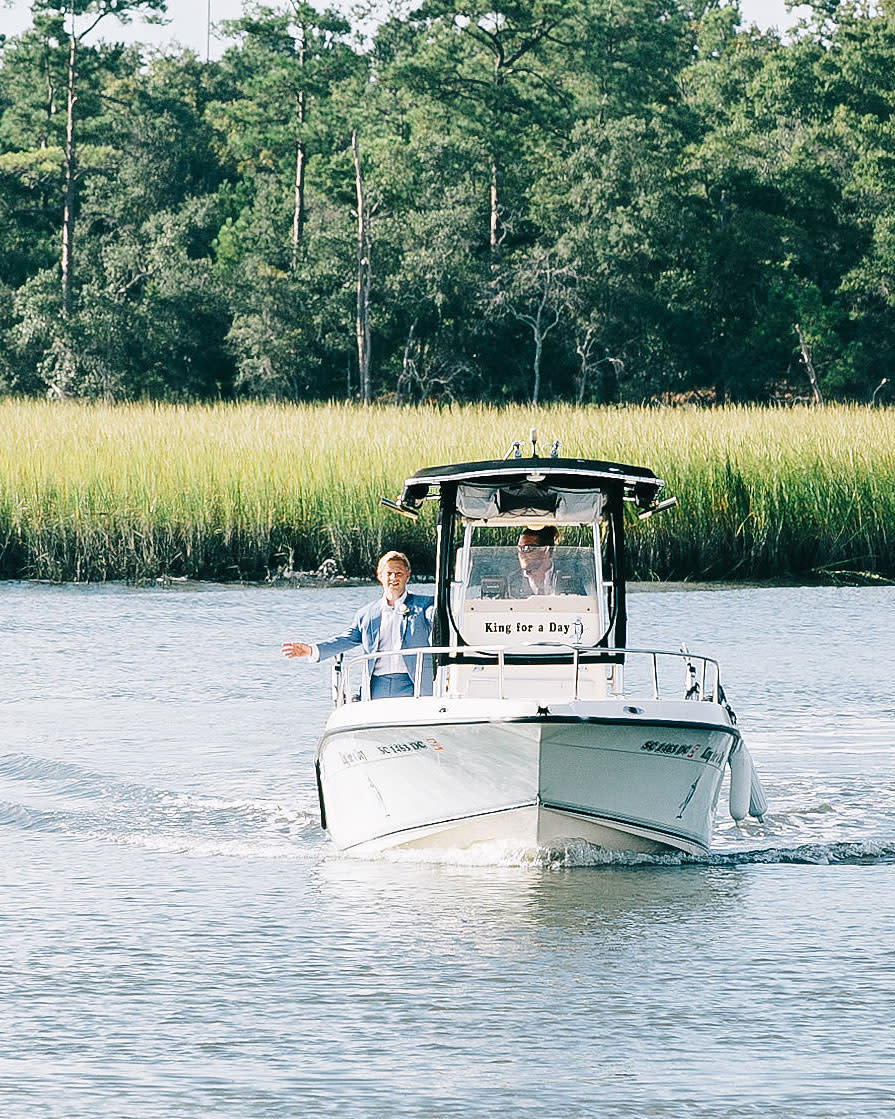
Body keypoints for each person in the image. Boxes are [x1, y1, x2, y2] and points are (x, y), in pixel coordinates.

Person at [282, 550, 434, 698]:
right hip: (376, 685)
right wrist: (311, 650)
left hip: (414, 683)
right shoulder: (367, 614)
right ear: (380, 576)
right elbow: (346, 639)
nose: (394, 577)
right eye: (388, 573)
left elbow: (437, 619)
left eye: (399, 573)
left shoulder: (425, 605)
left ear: (407, 576)